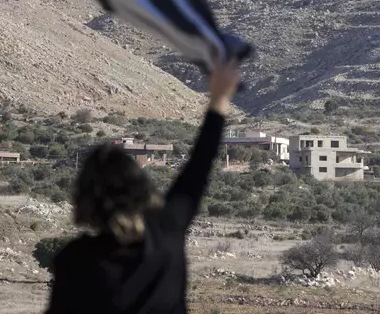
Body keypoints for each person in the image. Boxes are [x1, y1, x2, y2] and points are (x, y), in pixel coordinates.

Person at [46, 59, 241, 314]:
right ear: (140, 187)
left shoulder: (75, 261)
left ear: (84, 198)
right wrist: (219, 99)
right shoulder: (166, 231)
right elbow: (198, 166)